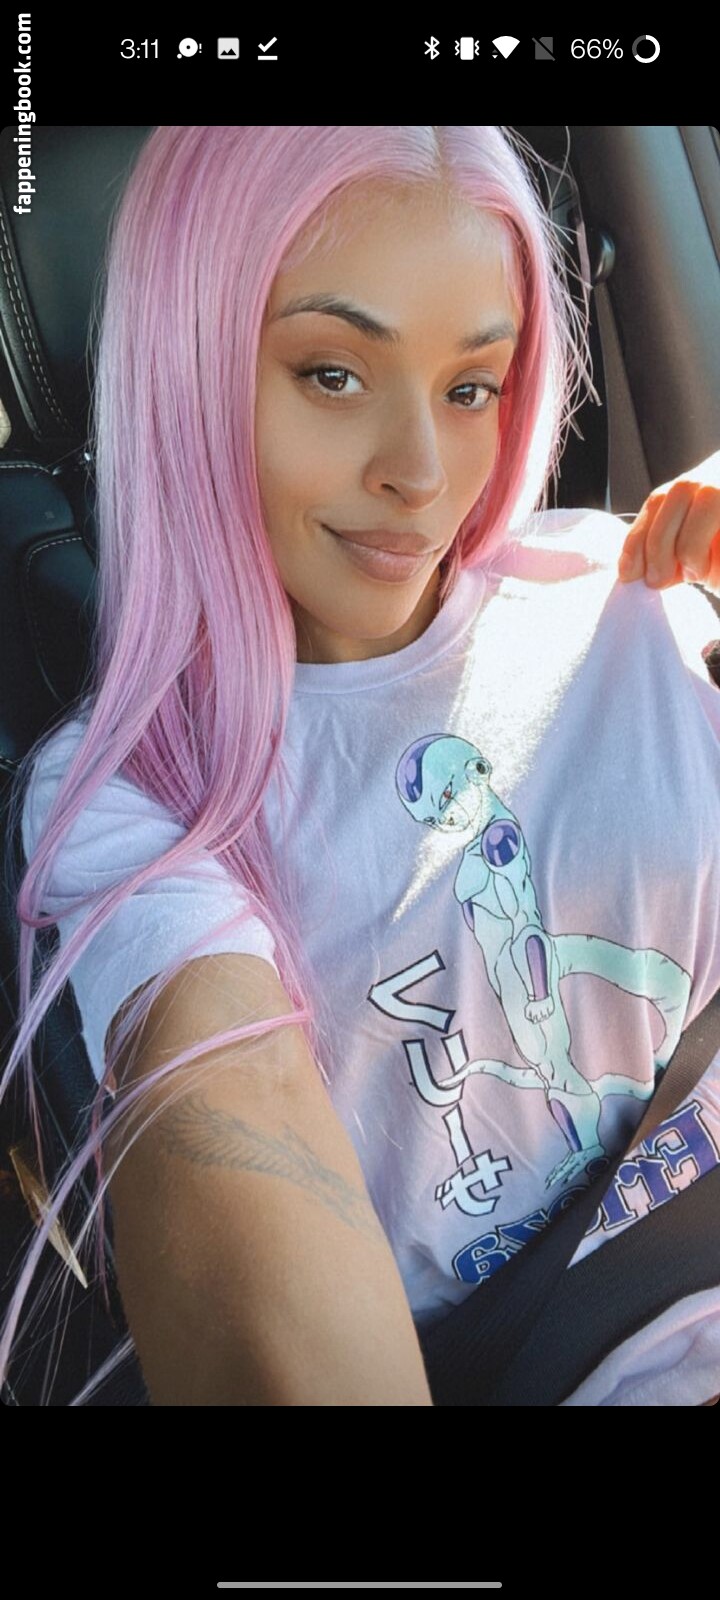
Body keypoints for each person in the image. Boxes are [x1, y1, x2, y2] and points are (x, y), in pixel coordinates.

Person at [1, 126, 719, 1406]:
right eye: (333, 374)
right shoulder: (137, 792)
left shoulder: (636, 591)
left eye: (471, 387)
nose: (421, 474)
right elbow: (239, 1117)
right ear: (188, 367)